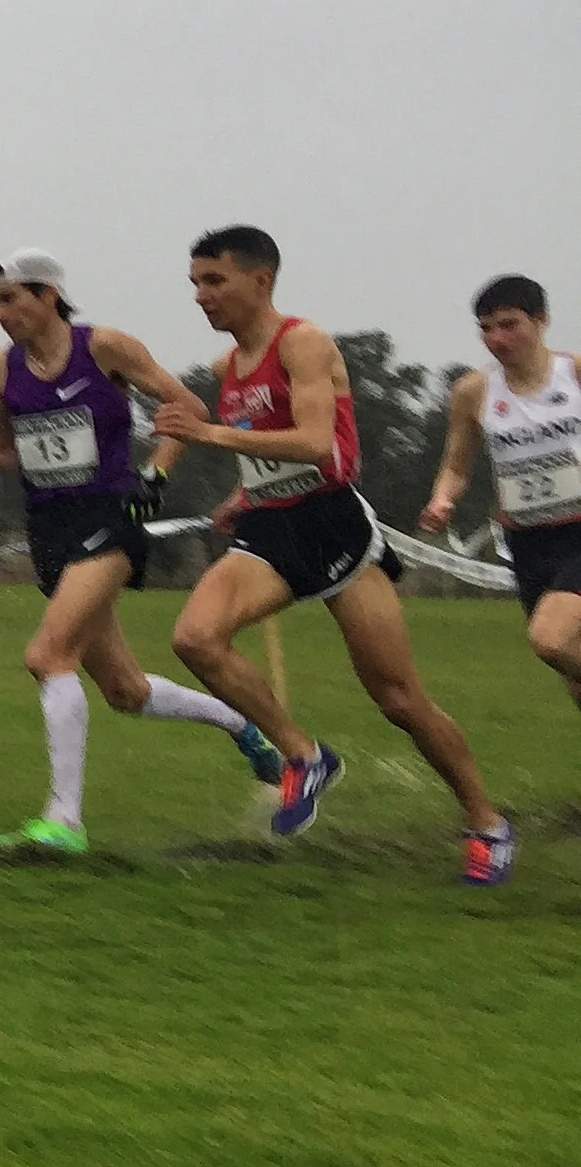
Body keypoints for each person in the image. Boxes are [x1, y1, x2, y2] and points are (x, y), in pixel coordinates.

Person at [156, 225, 514, 884]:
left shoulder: (303, 342)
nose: (201, 296)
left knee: (399, 699)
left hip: (333, 530)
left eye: (214, 281)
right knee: (195, 637)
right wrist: (243, 493)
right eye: (194, 284)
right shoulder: (223, 369)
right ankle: (303, 755)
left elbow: (318, 443)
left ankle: (486, 824)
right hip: (266, 531)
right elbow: (261, 442)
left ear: (259, 280)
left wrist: (205, 433)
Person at [0, 249, 284, 853]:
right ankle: (244, 728)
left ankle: (63, 822)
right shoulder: (0, 371)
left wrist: (154, 476)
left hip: (112, 521)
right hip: (49, 530)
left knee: (48, 656)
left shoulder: (106, 348)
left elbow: (190, 409)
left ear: (47, 294)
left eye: (10, 299)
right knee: (126, 691)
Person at [420, 273, 581, 712]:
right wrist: (442, 500)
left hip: (578, 531)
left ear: (541, 320)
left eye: (510, 325)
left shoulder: (574, 374)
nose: (496, 338)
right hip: (527, 541)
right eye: (486, 328)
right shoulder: (473, 392)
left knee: (550, 640)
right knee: (571, 671)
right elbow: (455, 466)